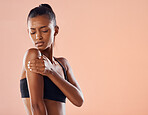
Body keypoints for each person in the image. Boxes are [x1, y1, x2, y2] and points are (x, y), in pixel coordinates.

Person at [20, 3, 84, 115]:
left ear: (55, 30)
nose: (38, 37)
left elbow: (79, 101)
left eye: (44, 30)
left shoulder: (63, 64)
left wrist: (51, 72)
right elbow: (37, 106)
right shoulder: (33, 55)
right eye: (33, 32)